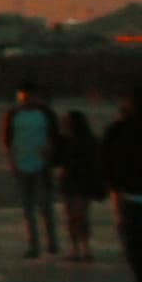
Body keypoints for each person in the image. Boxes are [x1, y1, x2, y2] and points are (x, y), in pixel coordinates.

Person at [107, 86, 142, 282]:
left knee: (134, 243)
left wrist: (113, 184)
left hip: (130, 192)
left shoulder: (118, 129)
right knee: (134, 241)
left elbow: (107, 160)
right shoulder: (118, 129)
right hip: (132, 190)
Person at [4, 85, 58, 256]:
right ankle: (34, 245)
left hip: (41, 165)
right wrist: (12, 161)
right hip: (21, 164)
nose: (25, 101)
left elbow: (54, 136)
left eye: (28, 97)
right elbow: (8, 140)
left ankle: (52, 242)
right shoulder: (13, 115)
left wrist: (49, 155)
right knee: (27, 209)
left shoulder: (46, 114)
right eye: (22, 98)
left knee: (45, 206)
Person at [57, 107, 102, 261]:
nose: (64, 124)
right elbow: (56, 161)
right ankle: (76, 248)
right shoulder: (63, 141)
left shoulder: (89, 141)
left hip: (84, 182)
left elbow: (96, 162)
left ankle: (85, 247)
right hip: (69, 182)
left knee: (79, 215)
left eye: (67, 122)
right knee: (71, 216)